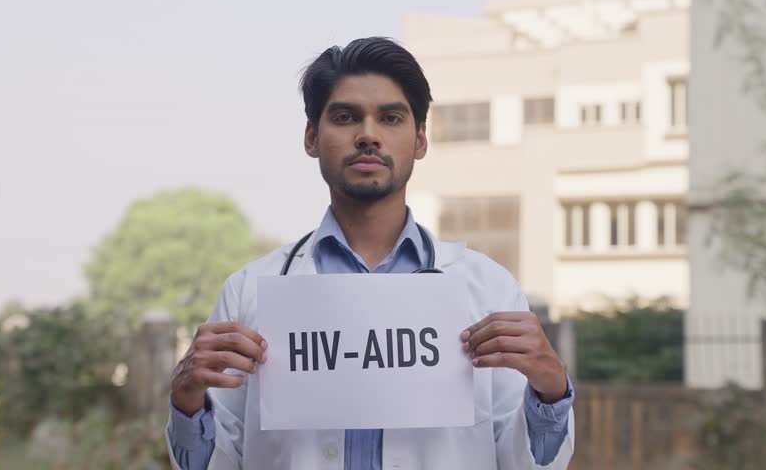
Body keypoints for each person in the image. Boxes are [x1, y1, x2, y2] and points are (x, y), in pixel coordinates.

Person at [166, 37, 574, 470]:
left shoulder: (488, 289)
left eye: (390, 117)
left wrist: (550, 391)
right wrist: (187, 404)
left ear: (419, 140)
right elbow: (215, 464)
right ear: (311, 137)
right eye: (345, 117)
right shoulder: (250, 291)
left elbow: (524, 462)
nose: (368, 134)